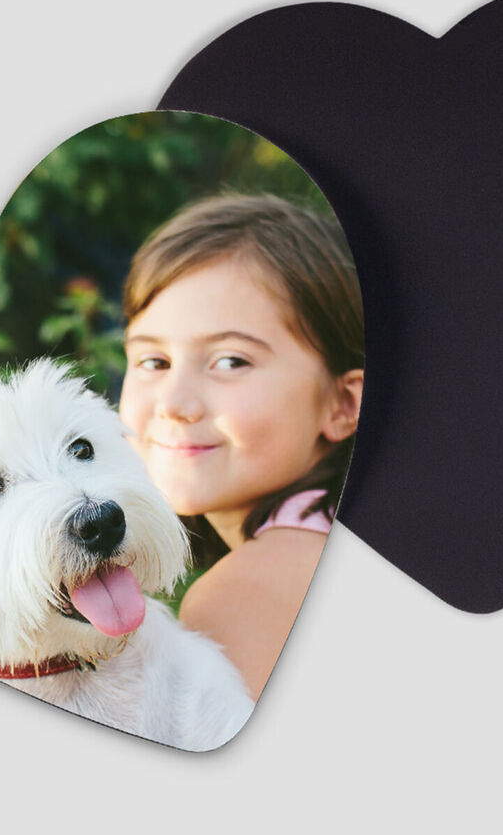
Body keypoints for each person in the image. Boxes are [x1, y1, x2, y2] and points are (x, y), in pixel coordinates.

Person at [118, 193, 364, 701]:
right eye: (153, 362)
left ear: (342, 404)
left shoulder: (248, 593)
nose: (174, 404)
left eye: (230, 362)